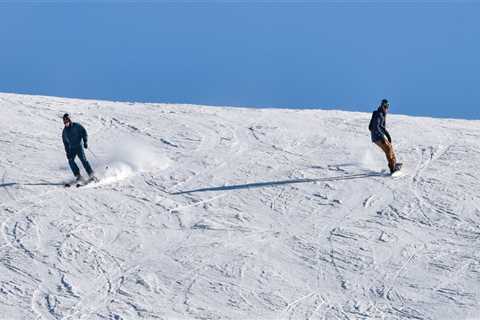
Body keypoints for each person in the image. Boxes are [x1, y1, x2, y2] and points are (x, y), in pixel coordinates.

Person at [62, 113, 95, 181]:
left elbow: (84, 132)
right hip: (72, 148)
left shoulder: (76, 126)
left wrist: (85, 141)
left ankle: (91, 175)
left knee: (83, 160)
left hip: (79, 146)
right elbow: (65, 143)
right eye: (64, 121)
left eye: (67, 120)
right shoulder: (64, 132)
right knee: (70, 161)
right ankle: (78, 176)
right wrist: (67, 152)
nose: (66, 122)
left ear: (69, 120)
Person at [369, 99, 398, 173]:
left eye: (387, 106)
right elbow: (376, 126)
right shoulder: (379, 114)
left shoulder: (382, 114)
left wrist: (388, 136)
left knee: (390, 147)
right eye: (385, 106)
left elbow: (382, 127)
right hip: (377, 136)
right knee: (388, 149)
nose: (386, 108)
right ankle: (392, 167)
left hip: (379, 135)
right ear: (381, 105)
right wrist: (382, 137)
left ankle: (394, 163)